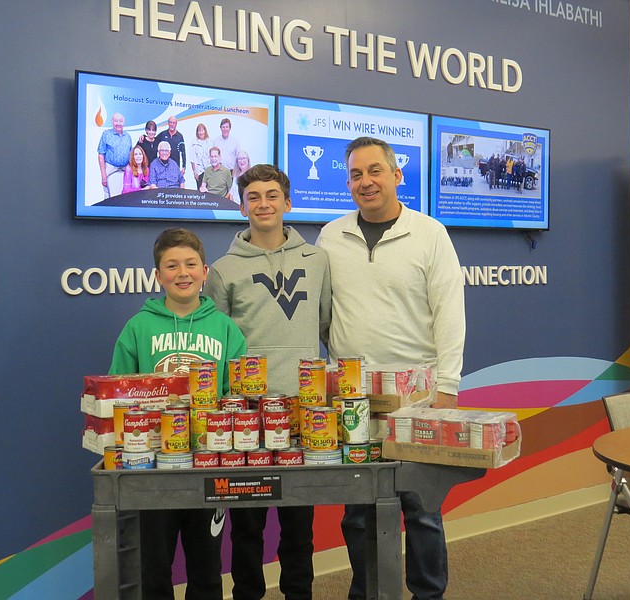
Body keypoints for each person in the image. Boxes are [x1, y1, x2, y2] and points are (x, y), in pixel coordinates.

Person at [317, 136, 465, 600]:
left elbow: (450, 312)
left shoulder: (430, 234)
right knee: (358, 509)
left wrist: (447, 386)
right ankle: (367, 591)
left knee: (421, 507)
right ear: (348, 183)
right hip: (353, 395)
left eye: (375, 171)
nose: (367, 182)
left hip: (418, 393)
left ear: (397, 175)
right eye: (357, 174)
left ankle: (428, 594)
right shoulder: (330, 236)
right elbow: (323, 313)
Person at [204, 164, 331, 600]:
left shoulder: (317, 260)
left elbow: (326, 323)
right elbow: (218, 344)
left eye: (272, 195)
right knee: (248, 528)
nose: (263, 204)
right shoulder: (222, 270)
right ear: (242, 206)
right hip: (247, 414)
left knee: (299, 526)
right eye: (254, 196)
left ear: (287, 203)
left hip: (304, 409)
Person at [109, 227, 247, 600]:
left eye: (190, 264)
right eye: (171, 265)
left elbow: (237, 397)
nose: (182, 272)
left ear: (205, 272)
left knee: (207, 570)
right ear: (157, 276)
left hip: (208, 463)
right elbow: (118, 395)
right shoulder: (138, 327)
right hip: (152, 467)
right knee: (152, 570)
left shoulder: (226, 329)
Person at [97, 112, 132, 198]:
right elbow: (101, 154)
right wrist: (103, 175)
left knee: (123, 195)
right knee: (108, 195)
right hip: (110, 168)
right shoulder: (106, 134)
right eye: (116, 121)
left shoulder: (128, 136)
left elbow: (131, 155)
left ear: (124, 122)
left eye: (120, 121)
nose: (118, 123)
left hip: (125, 169)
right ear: (112, 122)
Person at [190, 122, 212, 189]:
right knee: (200, 191)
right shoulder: (194, 143)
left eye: (202, 130)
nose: (201, 132)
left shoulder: (210, 142)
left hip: (209, 171)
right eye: (199, 131)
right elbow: (192, 159)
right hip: (199, 172)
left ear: (205, 131)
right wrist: (195, 172)